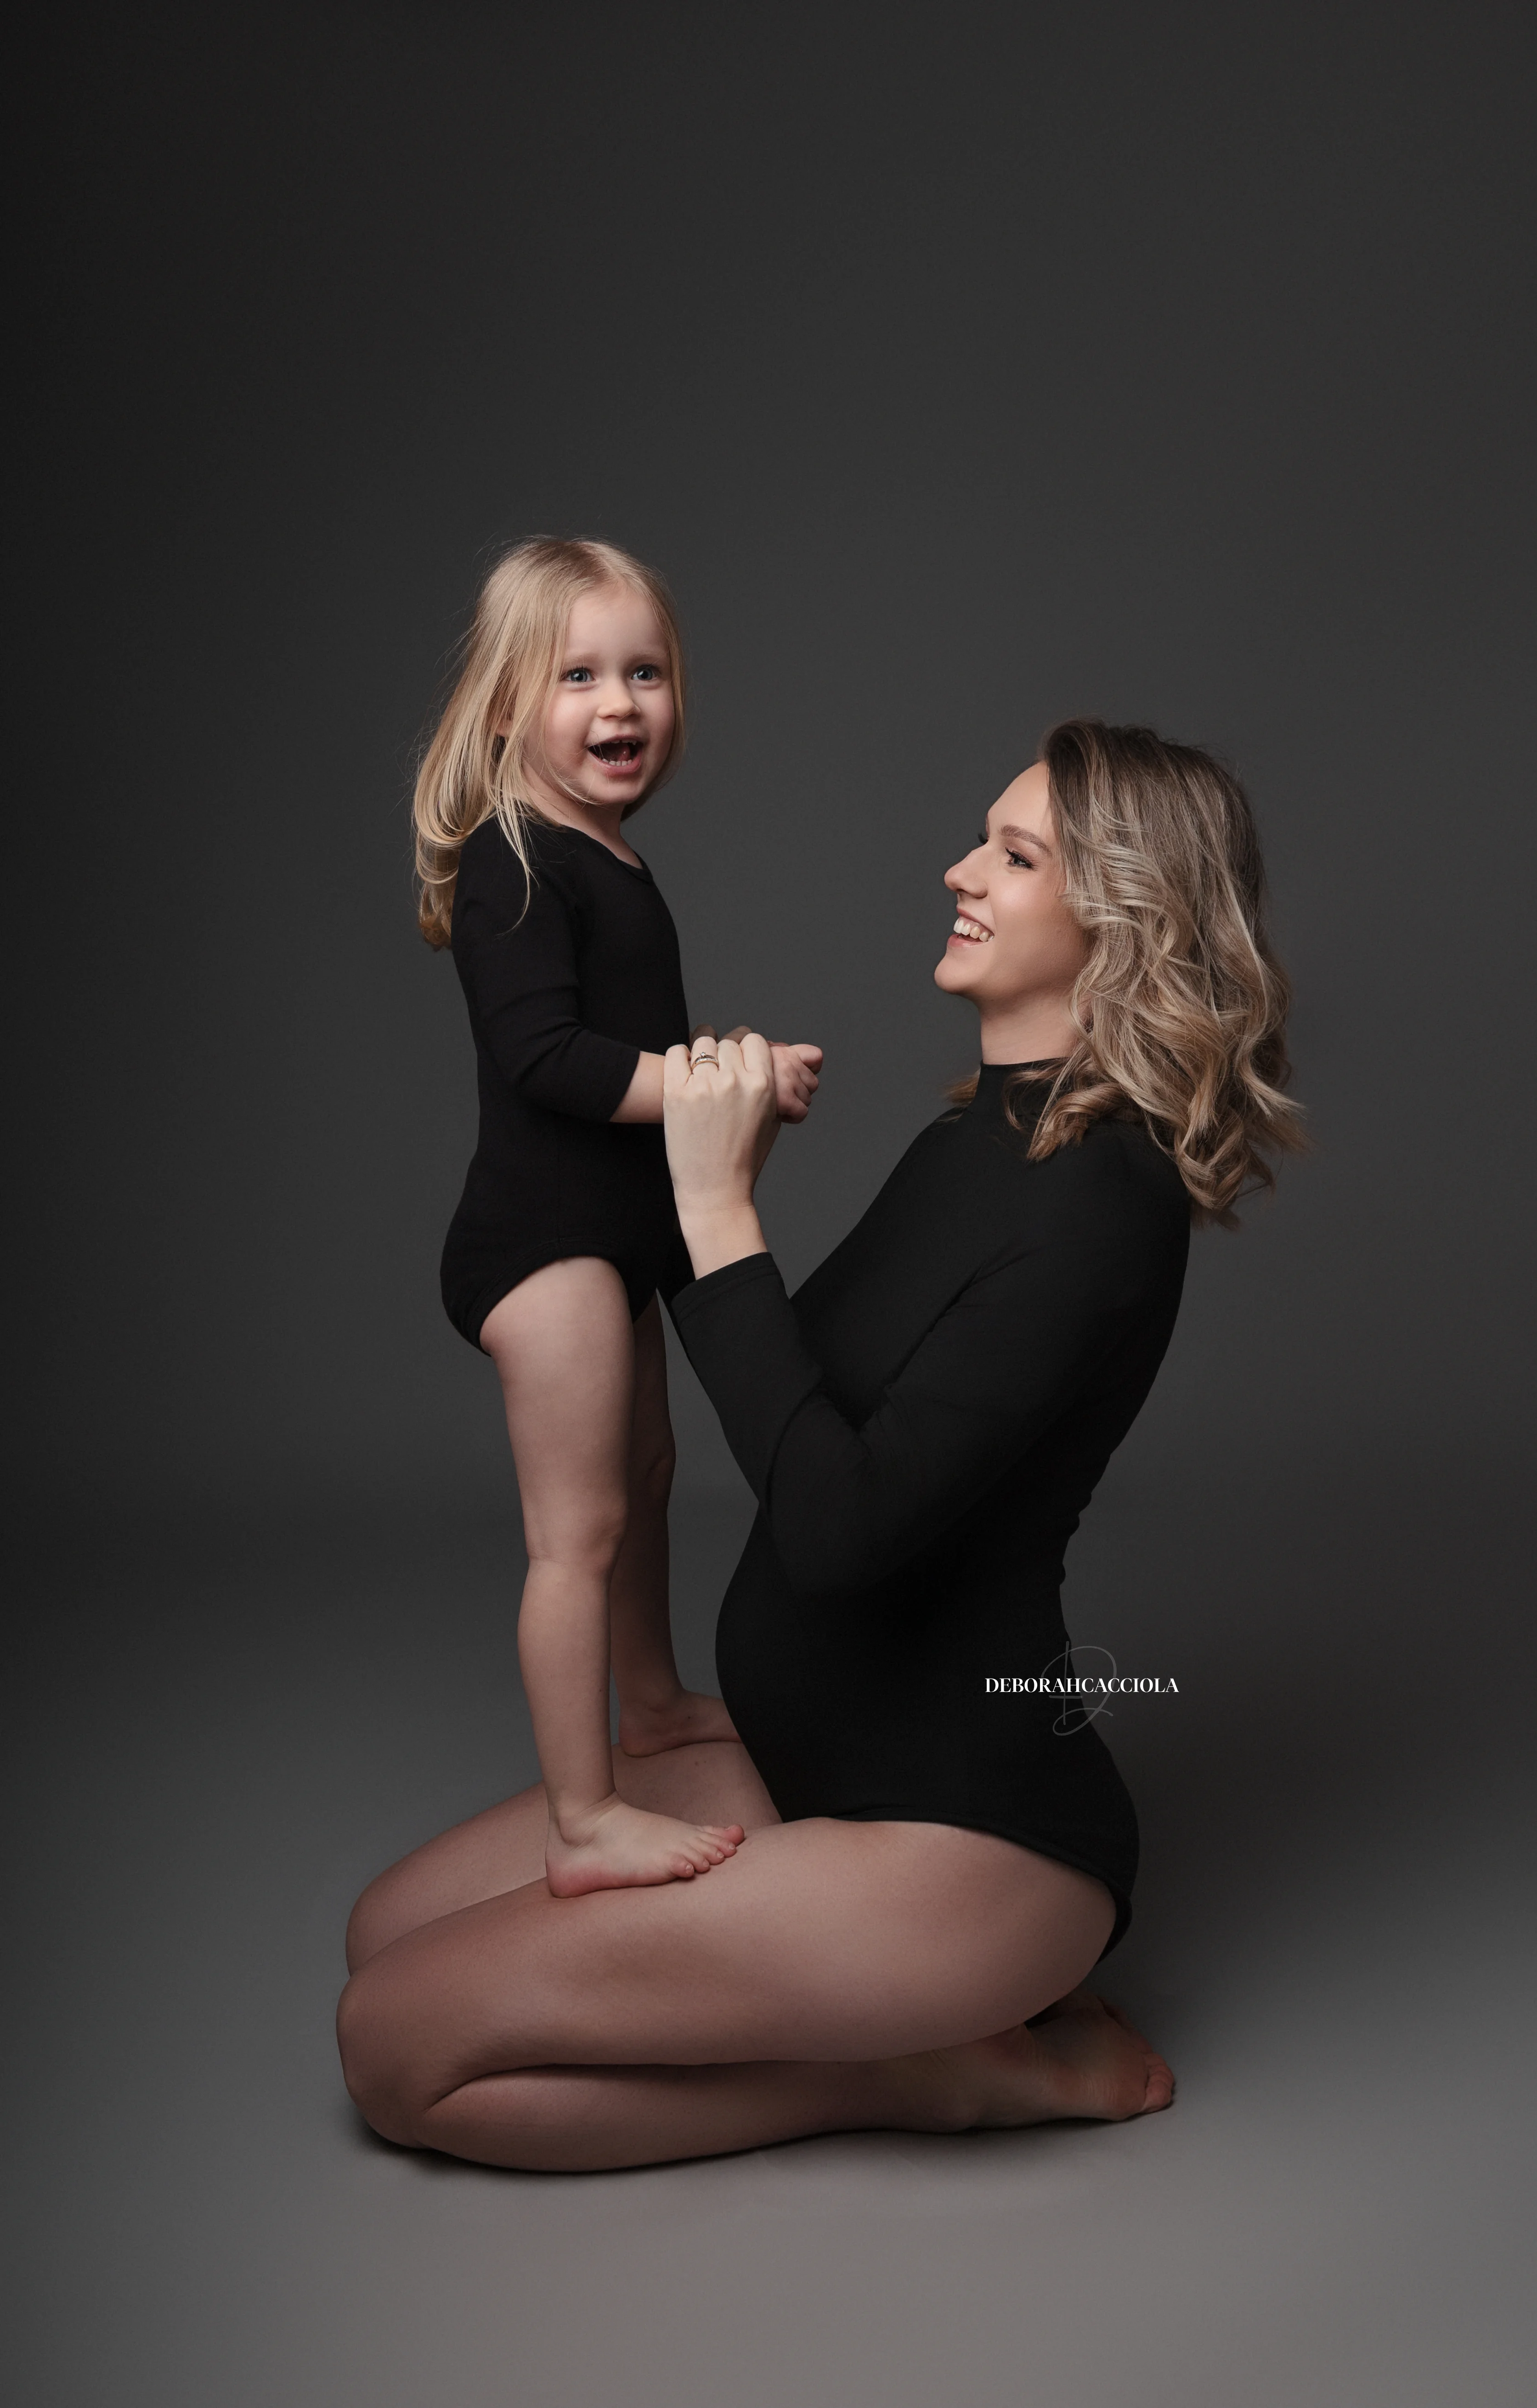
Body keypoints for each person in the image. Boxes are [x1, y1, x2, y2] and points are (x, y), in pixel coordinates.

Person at [342, 717, 1303, 2171]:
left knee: (399, 2054)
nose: (959, 869)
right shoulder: (976, 1143)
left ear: (1122, 917)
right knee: (380, 1934)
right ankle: (908, 2042)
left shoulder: (1106, 1205)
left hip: (968, 1841)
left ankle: (933, 2079)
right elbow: (795, 1393)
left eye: (1014, 853)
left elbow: (840, 1529)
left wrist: (724, 1218)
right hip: (812, 1760)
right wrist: (680, 1196)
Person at [412, 537, 823, 1897]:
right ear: (505, 703)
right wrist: (724, 1084)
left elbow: (624, 1042)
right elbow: (549, 1062)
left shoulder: (605, 853)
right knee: (573, 1533)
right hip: (544, 1246)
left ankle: (650, 1706)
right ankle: (583, 1822)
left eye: (644, 672)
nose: (620, 704)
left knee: (643, 1484)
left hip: (615, 1234)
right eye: (578, 674)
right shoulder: (511, 853)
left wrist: (723, 1069)